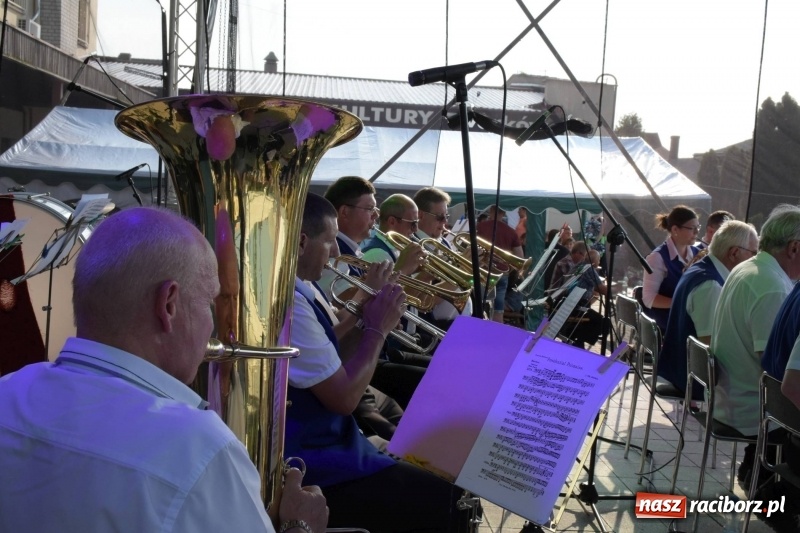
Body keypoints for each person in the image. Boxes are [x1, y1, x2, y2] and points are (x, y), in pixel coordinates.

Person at [0, 207, 327, 533]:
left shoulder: (7, 390)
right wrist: (300, 526)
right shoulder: (201, 449)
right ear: (169, 304)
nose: (211, 325)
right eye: (208, 303)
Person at [286, 193, 470, 532]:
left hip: (336, 442)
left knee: (443, 469)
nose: (333, 253)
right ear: (300, 243)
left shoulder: (303, 290)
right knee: (445, 494)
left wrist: (369, 312)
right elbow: (344, 399)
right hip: (319, 457)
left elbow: (332, 353)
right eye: (329, 243)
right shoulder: (292, 303)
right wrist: (376, 328)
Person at [711, 204, 800, 490]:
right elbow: (775, 369)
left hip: (729, 395)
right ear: (794, 248)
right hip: (751, 409)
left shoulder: (749, 268)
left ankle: (755, 471)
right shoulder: (772, 285)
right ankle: (768, 486)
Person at [659, 220, 758, 400]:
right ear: (734, 253)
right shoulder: (710, 285)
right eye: (753, 253)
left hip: (681, 366)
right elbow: (711, 346)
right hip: (692, 377)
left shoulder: (701, 267)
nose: (755, 260)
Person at [413, 186, 473, 330]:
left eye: (446, 216)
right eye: (440, 217)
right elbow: (423, 299)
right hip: (436, 327)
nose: (444, 223)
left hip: (458, 324)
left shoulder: (444, 242)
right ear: (421, 215)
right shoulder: (413, 247)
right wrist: (461, 270)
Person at [641, 205, 700, 331]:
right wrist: (683, 304)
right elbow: (648, 298)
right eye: (692, 228)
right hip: (668, 324)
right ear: (675, 229)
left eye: (698, 227)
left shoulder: (698, 254)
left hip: (691, 319)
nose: (697, 232)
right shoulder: (657, 257)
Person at [549, 241, 607, 348]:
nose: (599, 263)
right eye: (599, 260)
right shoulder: (588, 268)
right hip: (573, 305)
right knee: (604, 323)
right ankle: (578, 342)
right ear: (594, 261)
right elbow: (602, 289)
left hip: (567, 303)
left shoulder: (579, 266)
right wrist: (614, 289)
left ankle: (576, 341)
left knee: (593, 320)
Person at [476, 205, 524, 322]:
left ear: (491, 211)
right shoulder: (511, 231)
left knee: (480, 307)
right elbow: (520, 257)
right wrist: (508, 270)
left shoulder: (480, 227)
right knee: (498, 310)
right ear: (504, 213)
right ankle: (497, 335)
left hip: (483, 272)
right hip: (502, 273)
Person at [543, 225, 571, 292]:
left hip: (541, 278)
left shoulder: (541, 246)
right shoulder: (565, 251)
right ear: (560, 238)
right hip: (556, 282)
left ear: (548, 237)